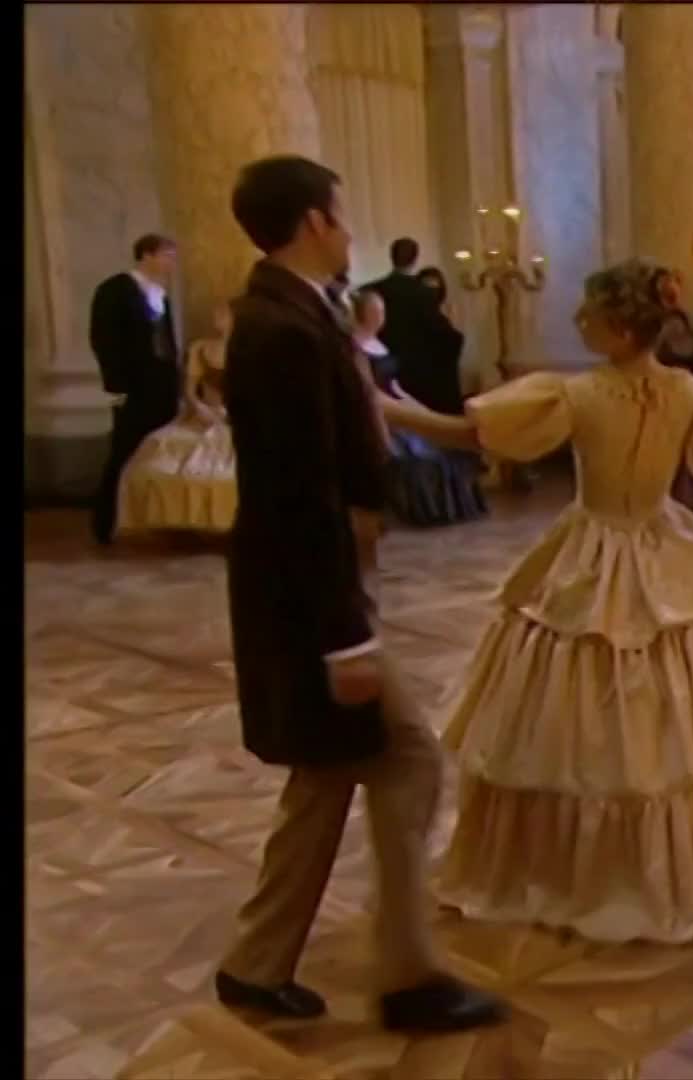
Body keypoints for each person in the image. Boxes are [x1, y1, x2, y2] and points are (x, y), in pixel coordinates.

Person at [377, 257, 693, 942]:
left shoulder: (582, 394)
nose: (580, 323)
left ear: (622, 330)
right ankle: (682, 867)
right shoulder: (691, 394)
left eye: (590, 315)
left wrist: (381, 404)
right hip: (658, 547)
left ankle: (602, 874)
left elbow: (466, 431)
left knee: (595, 705)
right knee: (685, 710)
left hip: (600, 550)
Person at [215, 154, 501, 1032]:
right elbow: (297, 498)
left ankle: (255, 964)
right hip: (311, 598)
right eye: (340, 213)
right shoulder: (283, 331)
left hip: (316, 585)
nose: (347, 228)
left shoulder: (295, 313)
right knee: (408, 755)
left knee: (329, 770)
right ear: (311, 221)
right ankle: (409, 976)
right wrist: (346, 639)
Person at [349, 290, 488, 528]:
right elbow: (370, 391)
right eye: (376, 311)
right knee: (420, 452)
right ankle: (423, 511)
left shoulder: (380, 342)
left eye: (382, 311)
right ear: (364, 313)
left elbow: (392, 383)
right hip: (380, 414)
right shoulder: (355, 346)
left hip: (396, 403)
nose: (380, 316)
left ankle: (450, 509)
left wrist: (412, 403)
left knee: (444, 448)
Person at [115, 300, 239, 538]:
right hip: (203, 415)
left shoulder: (248, 351)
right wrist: (200, 408)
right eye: (216, 313)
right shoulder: (200, 349)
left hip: (234, 419)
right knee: (158, 446)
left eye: (224, 314)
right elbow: (190, 391)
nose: (217, 319)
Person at [89, 233, 182, 545]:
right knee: (123, 451)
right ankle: (104, 522)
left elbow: (166, 343)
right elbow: (104, 340)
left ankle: (151, 522)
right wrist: (116, 386)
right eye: (167, 256)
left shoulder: (160, 294)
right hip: (134, 387)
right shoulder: (115, 290)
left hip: (162, 386)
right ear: (147, 255)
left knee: (158, 451)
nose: (172, 264)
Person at [367, 238, 463, 417]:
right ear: (415, 258)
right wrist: (457, 338)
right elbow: (440, 332)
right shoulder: (423, 292)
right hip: (419, 372)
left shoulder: (371, 290)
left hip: (382, 368)